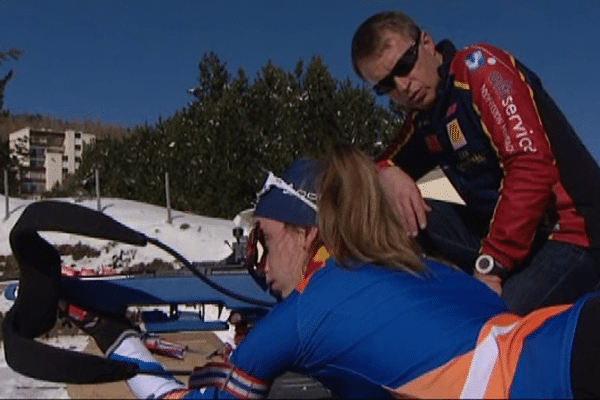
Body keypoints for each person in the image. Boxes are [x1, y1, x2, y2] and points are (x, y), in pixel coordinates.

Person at [66, 145, 600, 398]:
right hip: (569, 337)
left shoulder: (306, 310)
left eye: (267, 242)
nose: (261, 264)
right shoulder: (434, 270)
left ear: (308, 234)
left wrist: (121, 344)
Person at [350, 11, 600, 315]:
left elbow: (531, 168)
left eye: (405, 65)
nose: (402, 85)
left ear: (426, 43)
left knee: (486, 331)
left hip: (571, 233)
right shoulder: (428, 118)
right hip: (512, 243)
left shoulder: (479, 68)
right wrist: (386, 172)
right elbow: (383, 161)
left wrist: (491, 265)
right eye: (385, 85)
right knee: (404, 200)